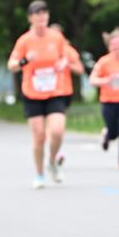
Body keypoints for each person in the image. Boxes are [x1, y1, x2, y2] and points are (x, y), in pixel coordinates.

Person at [7, 0, 69, 189]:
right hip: (32, 92)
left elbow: (65, 55)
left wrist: (62, 63)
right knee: (39, 135)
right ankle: (39, 173)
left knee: (57, 131)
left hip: (54, 91)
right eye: (37, 14)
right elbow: (11, 65)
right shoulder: (24, 41)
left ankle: (52, 162)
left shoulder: (56, 37)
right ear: (30, 18)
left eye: (44, 14)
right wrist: (26, 60)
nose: (41, 17)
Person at [89, 28, 119, 170]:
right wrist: (106, 81)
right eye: (114, 46)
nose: (117, 49)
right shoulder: (103, 62)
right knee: (113, 133)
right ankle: (107, 135)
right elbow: (92, 80)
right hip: (108, 101)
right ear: (109, 47)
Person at [50, 23, 85, 166]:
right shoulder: (40, 49)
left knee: (58, 126)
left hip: (64, 92)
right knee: (49, 125)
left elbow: (80, 69)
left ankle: (56, 150)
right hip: (45, 92)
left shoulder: (67, 50)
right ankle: (56, 154)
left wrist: (67, 64)